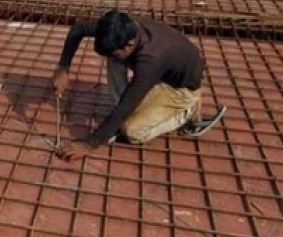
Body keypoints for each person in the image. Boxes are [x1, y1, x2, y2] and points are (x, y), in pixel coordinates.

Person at [52, 9, 225, 161]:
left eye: (119, 51)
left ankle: (188, 111)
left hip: (179, 87)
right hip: (162, 70)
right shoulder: (119, 29)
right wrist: (63, 68)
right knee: (114, 56)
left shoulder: (151, 60)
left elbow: (125, 106)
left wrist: (90, 144)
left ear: (130, 44)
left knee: (132, 131)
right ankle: (144, 99)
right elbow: (79, 28)